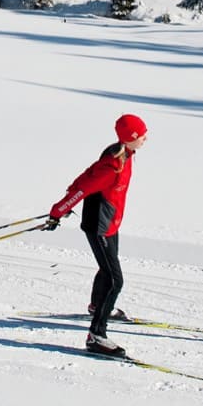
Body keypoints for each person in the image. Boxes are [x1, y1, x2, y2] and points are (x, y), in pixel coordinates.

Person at [44, 113, 148, 358]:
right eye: (141, 134)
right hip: (99, 226)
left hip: (111, 223)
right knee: (115, 280)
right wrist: (59, 210)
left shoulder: (122, 153)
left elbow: (88, 172)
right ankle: (96, 336)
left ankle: (97, 306)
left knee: (107, 268)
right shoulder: (113, 165)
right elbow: (85, 186)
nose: (145, 137)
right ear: (130, 137)